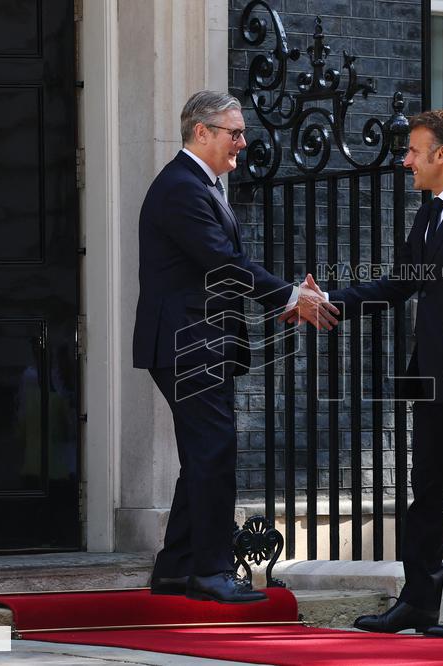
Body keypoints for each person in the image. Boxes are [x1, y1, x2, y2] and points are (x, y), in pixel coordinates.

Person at [300, 110, 443, 639]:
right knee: (428, 494)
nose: (405, 160)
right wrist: (327, 300)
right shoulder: (428, 215)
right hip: (430, 377)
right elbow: (397, 284)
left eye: (412, 150)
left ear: (442, 154)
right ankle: (419, 602)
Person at [132, 90, 338, 603]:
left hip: (198, 340)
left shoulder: (198, 184)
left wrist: (285, 301)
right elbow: (224, 264)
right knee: (213, 451)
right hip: (188, 342)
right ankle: (211, 572)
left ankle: (177, 568)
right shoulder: (182, 188)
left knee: (204, 453)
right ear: (201, 131)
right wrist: (291, 296)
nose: (242, 143)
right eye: (235, 133)